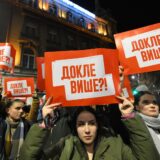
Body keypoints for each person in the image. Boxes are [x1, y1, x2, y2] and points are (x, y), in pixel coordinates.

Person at [19, 96, 159, 160]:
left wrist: (130, 116)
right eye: (81, 124)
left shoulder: (116, 145)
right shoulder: (65, 145)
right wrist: (44, 124)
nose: (87, 130)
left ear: (98, 125)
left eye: (91, 123)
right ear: (75, 127)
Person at [134, 90, 160, 155]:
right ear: (137, 107)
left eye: (154, 102)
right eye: (146, 102)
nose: (152, 105)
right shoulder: (135, 126)